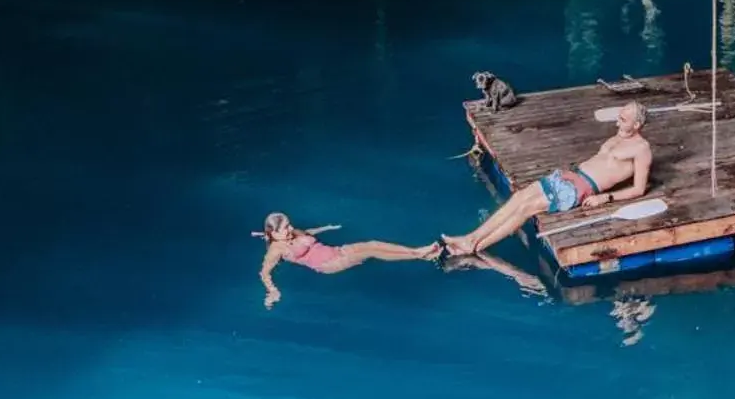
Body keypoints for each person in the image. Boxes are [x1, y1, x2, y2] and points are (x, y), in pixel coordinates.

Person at [441, 101, 652, 256]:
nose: (617, 122)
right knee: (519, 197)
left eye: (623, 120)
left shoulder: (641, 150)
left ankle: (476, 246)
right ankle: (471, 238)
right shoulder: (619, 135)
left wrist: (605, 198)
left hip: (579, 190)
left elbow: (639, 189)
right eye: (619, 117)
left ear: (637, 125)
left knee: (527, 208)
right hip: (571, 177)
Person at [255, 212, 439, 307]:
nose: (291, 228)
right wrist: (273, 292)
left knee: (372, 243)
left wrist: (326, 228)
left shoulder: (292, 234)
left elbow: (307, 233)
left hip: (336, 251)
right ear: (274, 232)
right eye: (286, 227)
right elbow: (264, 272)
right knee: (371, 252)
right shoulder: (276, 250)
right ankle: (418, 254)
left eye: (290, 224)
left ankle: (418, 253)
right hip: (328, 264)